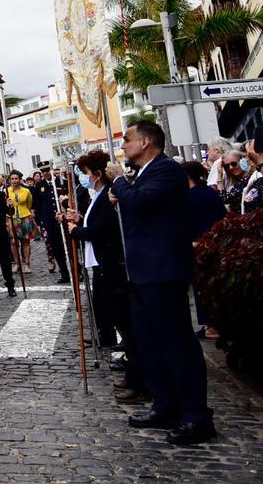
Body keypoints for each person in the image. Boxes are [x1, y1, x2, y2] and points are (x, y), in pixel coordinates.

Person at [110, 120, 215, 445]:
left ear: (145, 142)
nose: (124, 146)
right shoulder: (142, 174)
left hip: (163, 272)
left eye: (127, 140)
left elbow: (140, 203)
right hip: (142, 274)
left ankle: (197, 416)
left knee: (176, 344)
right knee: (150, 344)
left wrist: (118, 184)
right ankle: (165, 404)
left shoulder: (167, 170)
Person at [65, 150, 144, 404]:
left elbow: (101, 230)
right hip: (100, 264)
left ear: (97, 174)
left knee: (125, 324)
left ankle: (139, 377)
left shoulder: (110, 193)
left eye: (86, 173)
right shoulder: (97, 195)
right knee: (113, 317)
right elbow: (94, 224)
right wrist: (79, 220)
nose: (84, 178)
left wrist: (77, 231)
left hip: (110, 265)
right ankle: (133, 371)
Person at [180, 161, 227, 342]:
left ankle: (211, 325)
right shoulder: (209, 192)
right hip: (214, 243)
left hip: (199, 245)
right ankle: (213, 324)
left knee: (202, 287)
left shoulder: (190, 197)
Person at [4, 170, 36, 273]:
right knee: (13, 242)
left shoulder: (26, 191)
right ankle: (17, 264)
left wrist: (25, 212)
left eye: (16, 178)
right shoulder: (6, 191)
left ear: (20, 179)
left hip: (24, 217)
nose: (14, 181)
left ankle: (27, 264)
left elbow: (29, 204)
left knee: (25, 241)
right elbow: (3, 206)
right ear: (9, 180)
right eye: (12, 179)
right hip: (11, 218)